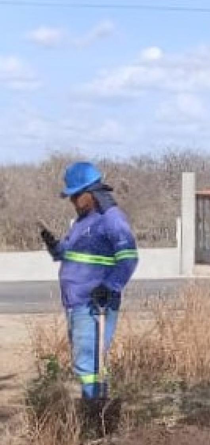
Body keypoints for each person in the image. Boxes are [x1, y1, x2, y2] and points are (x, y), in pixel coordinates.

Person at [39, 161, 138, 408]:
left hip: (95, 303)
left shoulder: (112, 219)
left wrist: (111, 286)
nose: (72, 201)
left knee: (89, 359)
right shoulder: (83, 222)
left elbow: (128, 258)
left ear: (90, 193)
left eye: (75, 196)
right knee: (86, 358)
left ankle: (95, 408)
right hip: (75, 302)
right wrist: (55, 246)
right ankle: (93, 403)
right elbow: (71, 255)